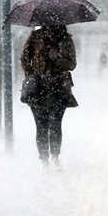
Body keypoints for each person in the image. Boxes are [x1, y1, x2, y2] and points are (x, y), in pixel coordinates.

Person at [20, 25, 78, 169]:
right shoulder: (35, 37)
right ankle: (44, 159)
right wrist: (31, 75)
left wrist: (57, 58)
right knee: (41, 125)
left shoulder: (66, 39)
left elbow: (72, 64)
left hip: (59, 87)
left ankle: (55, 156)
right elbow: (24, 58)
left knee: (56, 123)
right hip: (38, 89)